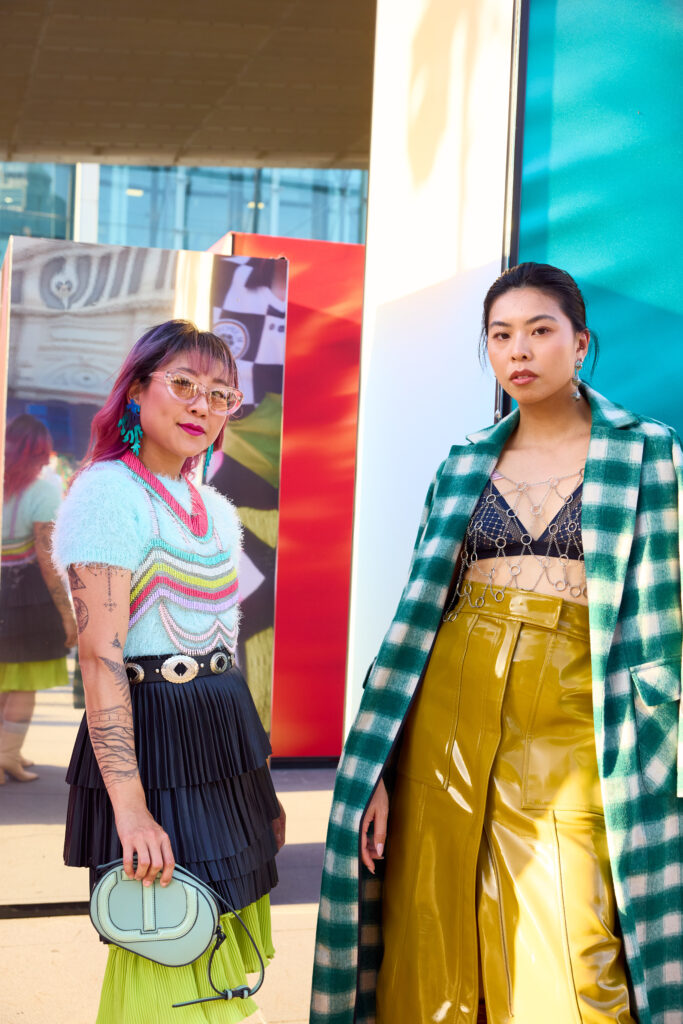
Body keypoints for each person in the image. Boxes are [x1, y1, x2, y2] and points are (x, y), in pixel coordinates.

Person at [310, 263, 683, 1024]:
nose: (520, 350)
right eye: (500, 335)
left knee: (574, 946)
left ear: (580, 344)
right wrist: (379, 761)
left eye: (541, 331)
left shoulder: (650, 454)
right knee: (432, 929)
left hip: (580, 720)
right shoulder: (462, 462)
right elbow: (416, 613)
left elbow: (663, 617)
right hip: (445, 712)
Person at [52, 319, 286, 1023]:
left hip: (222, 735)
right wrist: (130, 805)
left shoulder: (212, 508)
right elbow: (100, 656)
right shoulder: (105, 494)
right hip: (153, 742)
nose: (202, 407)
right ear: (136, 392)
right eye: (182, 384)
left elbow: (222, 645)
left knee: (225, 930)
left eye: (220, 395)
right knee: (170, 934)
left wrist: (261, 786)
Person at [0, 414, 77, 782]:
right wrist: (67, 613)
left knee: (3, 678)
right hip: (27, 596)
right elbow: (47, 559)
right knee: (23, 684)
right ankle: (7, 756)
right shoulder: (42, 489)